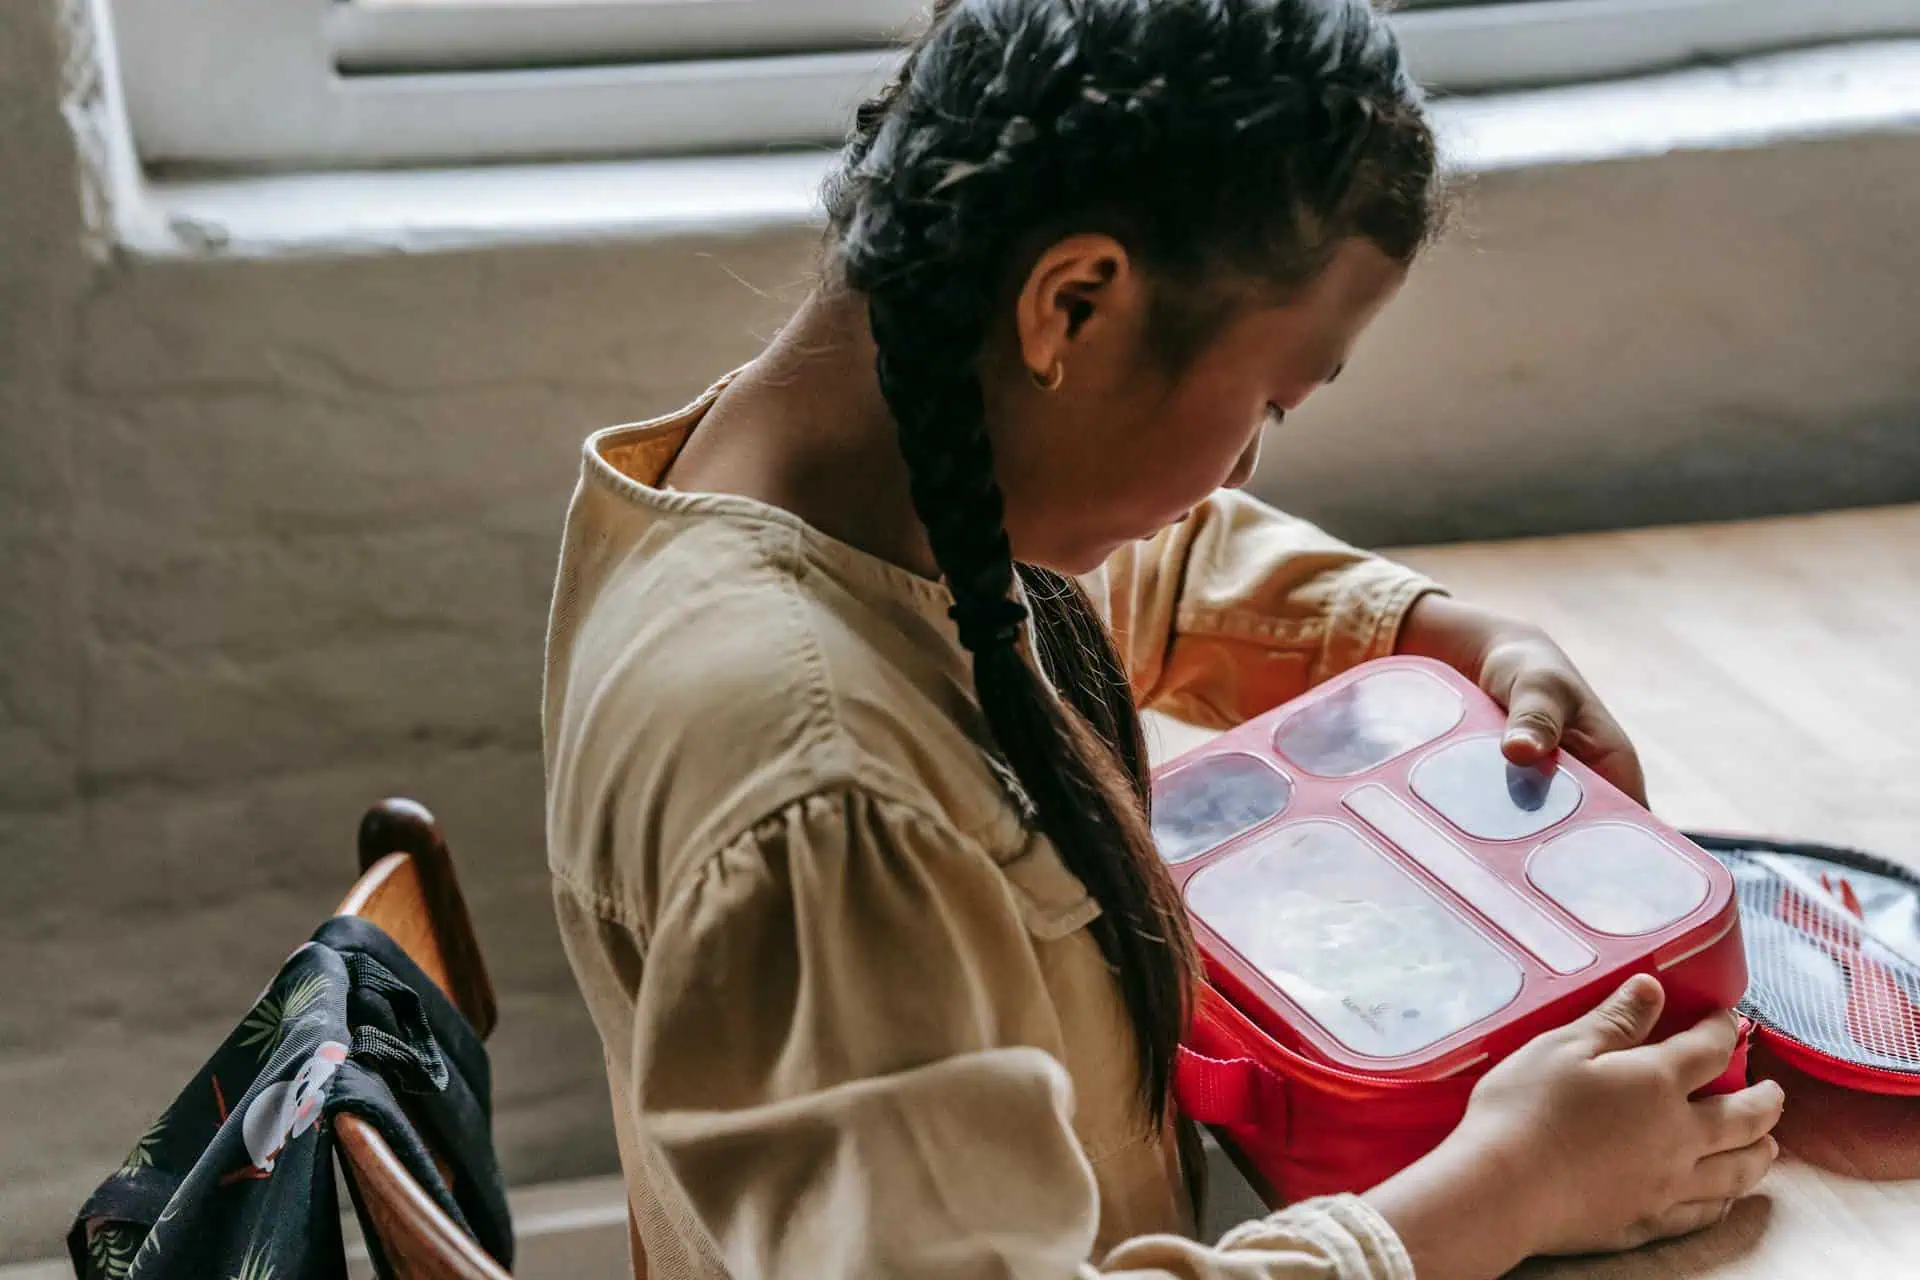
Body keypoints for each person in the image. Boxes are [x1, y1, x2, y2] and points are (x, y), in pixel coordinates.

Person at [543, 1, 1784, 1275]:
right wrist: (1509, 1185)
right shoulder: (828, 791)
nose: (1243, 461)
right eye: (1270, 403)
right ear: (1073, 305)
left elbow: (1116, 570)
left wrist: (1437, 631)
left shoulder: (832, 487)